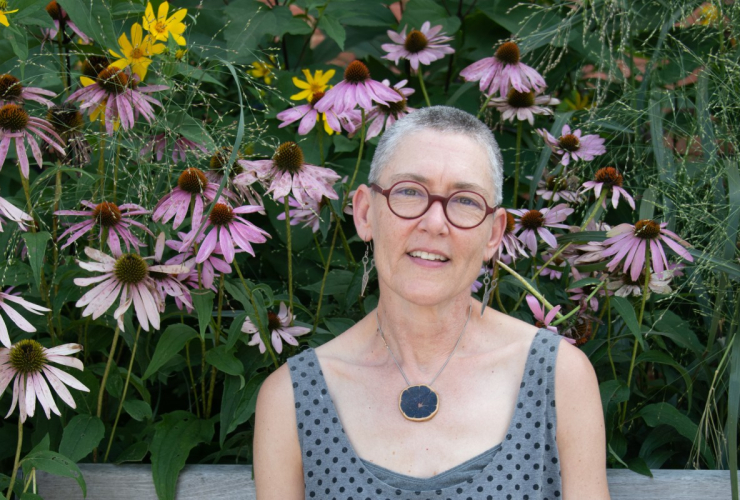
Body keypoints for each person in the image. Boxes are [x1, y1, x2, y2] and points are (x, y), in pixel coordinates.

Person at [253, 106, 610, 499]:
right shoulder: (291, 398)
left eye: (465, 201)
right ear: (366, 213)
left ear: (494, 234)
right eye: (409, 192)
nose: (435, 223)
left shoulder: (559, 377)